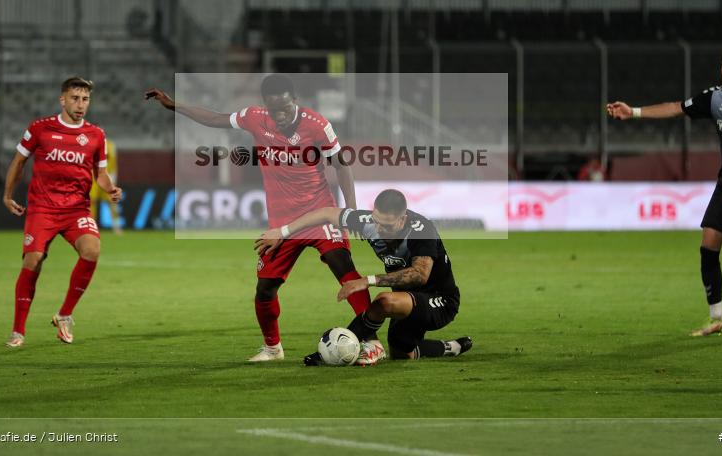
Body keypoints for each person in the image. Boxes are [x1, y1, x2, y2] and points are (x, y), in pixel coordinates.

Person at [145, 74, 375, 361]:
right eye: (274, 110)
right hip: (281, 224)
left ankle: (371, 342)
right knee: (265, 288)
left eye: (285, 108)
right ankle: (272, 348)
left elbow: (342, 166)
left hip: (319, 213)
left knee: (342, 265)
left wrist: (350, 212)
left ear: (295, 101)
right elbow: (216, 118)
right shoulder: (255, 117)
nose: (280, 115)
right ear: (266, 105)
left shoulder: (317, 125)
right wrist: (174, 105)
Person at [607, 46, 722, 340]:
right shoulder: (714, 98)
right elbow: (675, 107)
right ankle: (716, 318)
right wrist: (633, 112)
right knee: (708, 248)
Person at [257, 188, 472, 365]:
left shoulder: (421, 229)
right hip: (406, 301)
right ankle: (450, 347)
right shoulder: (368, 221)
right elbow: (324, 213)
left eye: (386, 225)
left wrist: (367, 281)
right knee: (401, 351)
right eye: (376, 221)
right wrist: (282, 232)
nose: (379, 229)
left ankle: (333, 353)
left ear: (403, 220)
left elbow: (420, 275)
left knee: (383, 302)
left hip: (440, 301)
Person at [2, 77, 122, 347]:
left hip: (76, 209)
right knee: (33, 261)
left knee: (92, 250)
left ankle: (65, 314)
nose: (81, 105)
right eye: (75, 99)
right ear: (62, 100)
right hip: (42, 209)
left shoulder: (96, 134)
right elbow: (18, 162)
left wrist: (110, 189)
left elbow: (101, 174)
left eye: (85, 99)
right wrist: (7, 196)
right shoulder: (40, 128)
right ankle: (18, 330)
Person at [90, 138, 123, 235]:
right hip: (93, 178)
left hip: (107, 177)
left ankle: (116, 227)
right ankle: (92, 227)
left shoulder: (111, 146)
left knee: (112, 201)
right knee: (92, 202)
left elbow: (114, 164)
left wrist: (113, 179)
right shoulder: (91, 143)